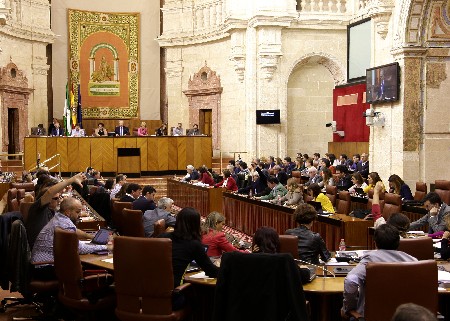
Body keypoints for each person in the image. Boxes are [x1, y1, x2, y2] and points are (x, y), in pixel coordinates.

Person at [341, 224, 418, 318]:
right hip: (405, 317)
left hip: (371, 317)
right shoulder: (413, 261)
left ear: (375, 243)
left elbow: (351, 280)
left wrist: (349, 308)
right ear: (398, 242)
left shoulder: (369, 261)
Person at [31, 197, 111, 280]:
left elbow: (75, 236)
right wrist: (106, 247)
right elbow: (80, 249)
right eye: (77, 211)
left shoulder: (59, 217)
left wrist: (91, 239)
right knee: (102, 272)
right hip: (46, 268)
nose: (80, 214)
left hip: (40, 265)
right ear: (68, 212)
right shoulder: (65, 224)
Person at [158, 207, 219, 288]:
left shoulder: (162, 237)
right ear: (196, 225)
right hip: (174, 291)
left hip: (149, 288)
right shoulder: (194, 245)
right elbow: (211, 271)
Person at [25, 172, 86, 250]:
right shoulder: (37, 209)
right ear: (48, 200)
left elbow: (69, 229)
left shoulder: (51, 211)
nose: (59, 201)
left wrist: (90, 236)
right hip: (41, 253)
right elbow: (50, 192)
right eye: (56, 198)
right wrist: (71, 180)